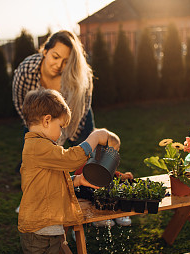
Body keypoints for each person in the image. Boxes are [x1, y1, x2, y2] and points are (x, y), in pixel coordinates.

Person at [12, 30, 132, 227]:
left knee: (94, 159)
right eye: (55, 56)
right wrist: (43, 134)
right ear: (45, 50)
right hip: (37, 123)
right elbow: (20, 104)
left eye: (65, 61)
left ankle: (109, 204)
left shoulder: (76, 76)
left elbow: (79, 113)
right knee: (37, 161)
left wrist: (83, 141)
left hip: (75, 115)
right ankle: (34, 200)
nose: (59, 65)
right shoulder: (25, 71)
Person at [18, 88, 122, 254]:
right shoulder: (37, 146)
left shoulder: (42, 146)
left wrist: (78, 180)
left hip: (47, 228)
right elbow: (70, 160)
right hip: (40, 232)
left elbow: (52, 179)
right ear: (46, 120)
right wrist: (95, 137)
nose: (61, 134)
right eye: (60, 127)